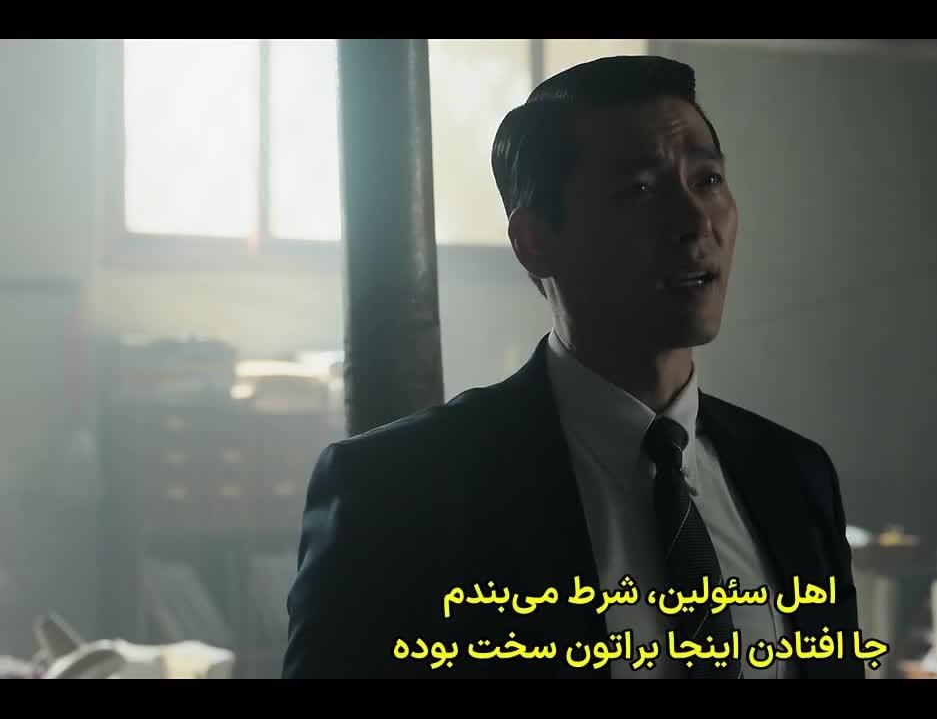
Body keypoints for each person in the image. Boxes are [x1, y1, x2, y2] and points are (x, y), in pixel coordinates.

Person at [282, 54, 863, 680]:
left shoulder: (793, 478)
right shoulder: (398, 493)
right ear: (535, 241)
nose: (696, 222)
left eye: (709, 180)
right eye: (639, 190)